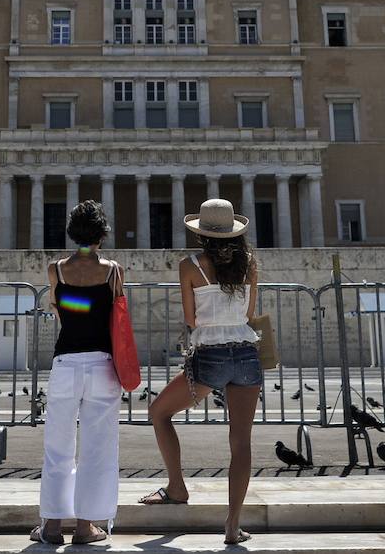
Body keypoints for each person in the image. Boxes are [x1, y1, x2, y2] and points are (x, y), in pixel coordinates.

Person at [140, 198, 261, 545]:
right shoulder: (251, 265)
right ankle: (233, 525)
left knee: (159, 413)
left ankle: (177, 486)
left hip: (211, 356)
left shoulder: (189, 265)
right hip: (247, 354)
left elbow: (191, 319)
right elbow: (250, 314)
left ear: (202, 234)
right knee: (241, 442)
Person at [32, 200, 124, 546]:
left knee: (58, 446)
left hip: (66, 363)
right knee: (97, 449)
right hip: (102, 364)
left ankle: (52, 527)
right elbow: (114, 316)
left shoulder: (56, 270)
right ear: (102, 234)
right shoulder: (114, 271)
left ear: (73, 233)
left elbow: (63, 310)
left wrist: (76, 307)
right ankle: (85, 528)